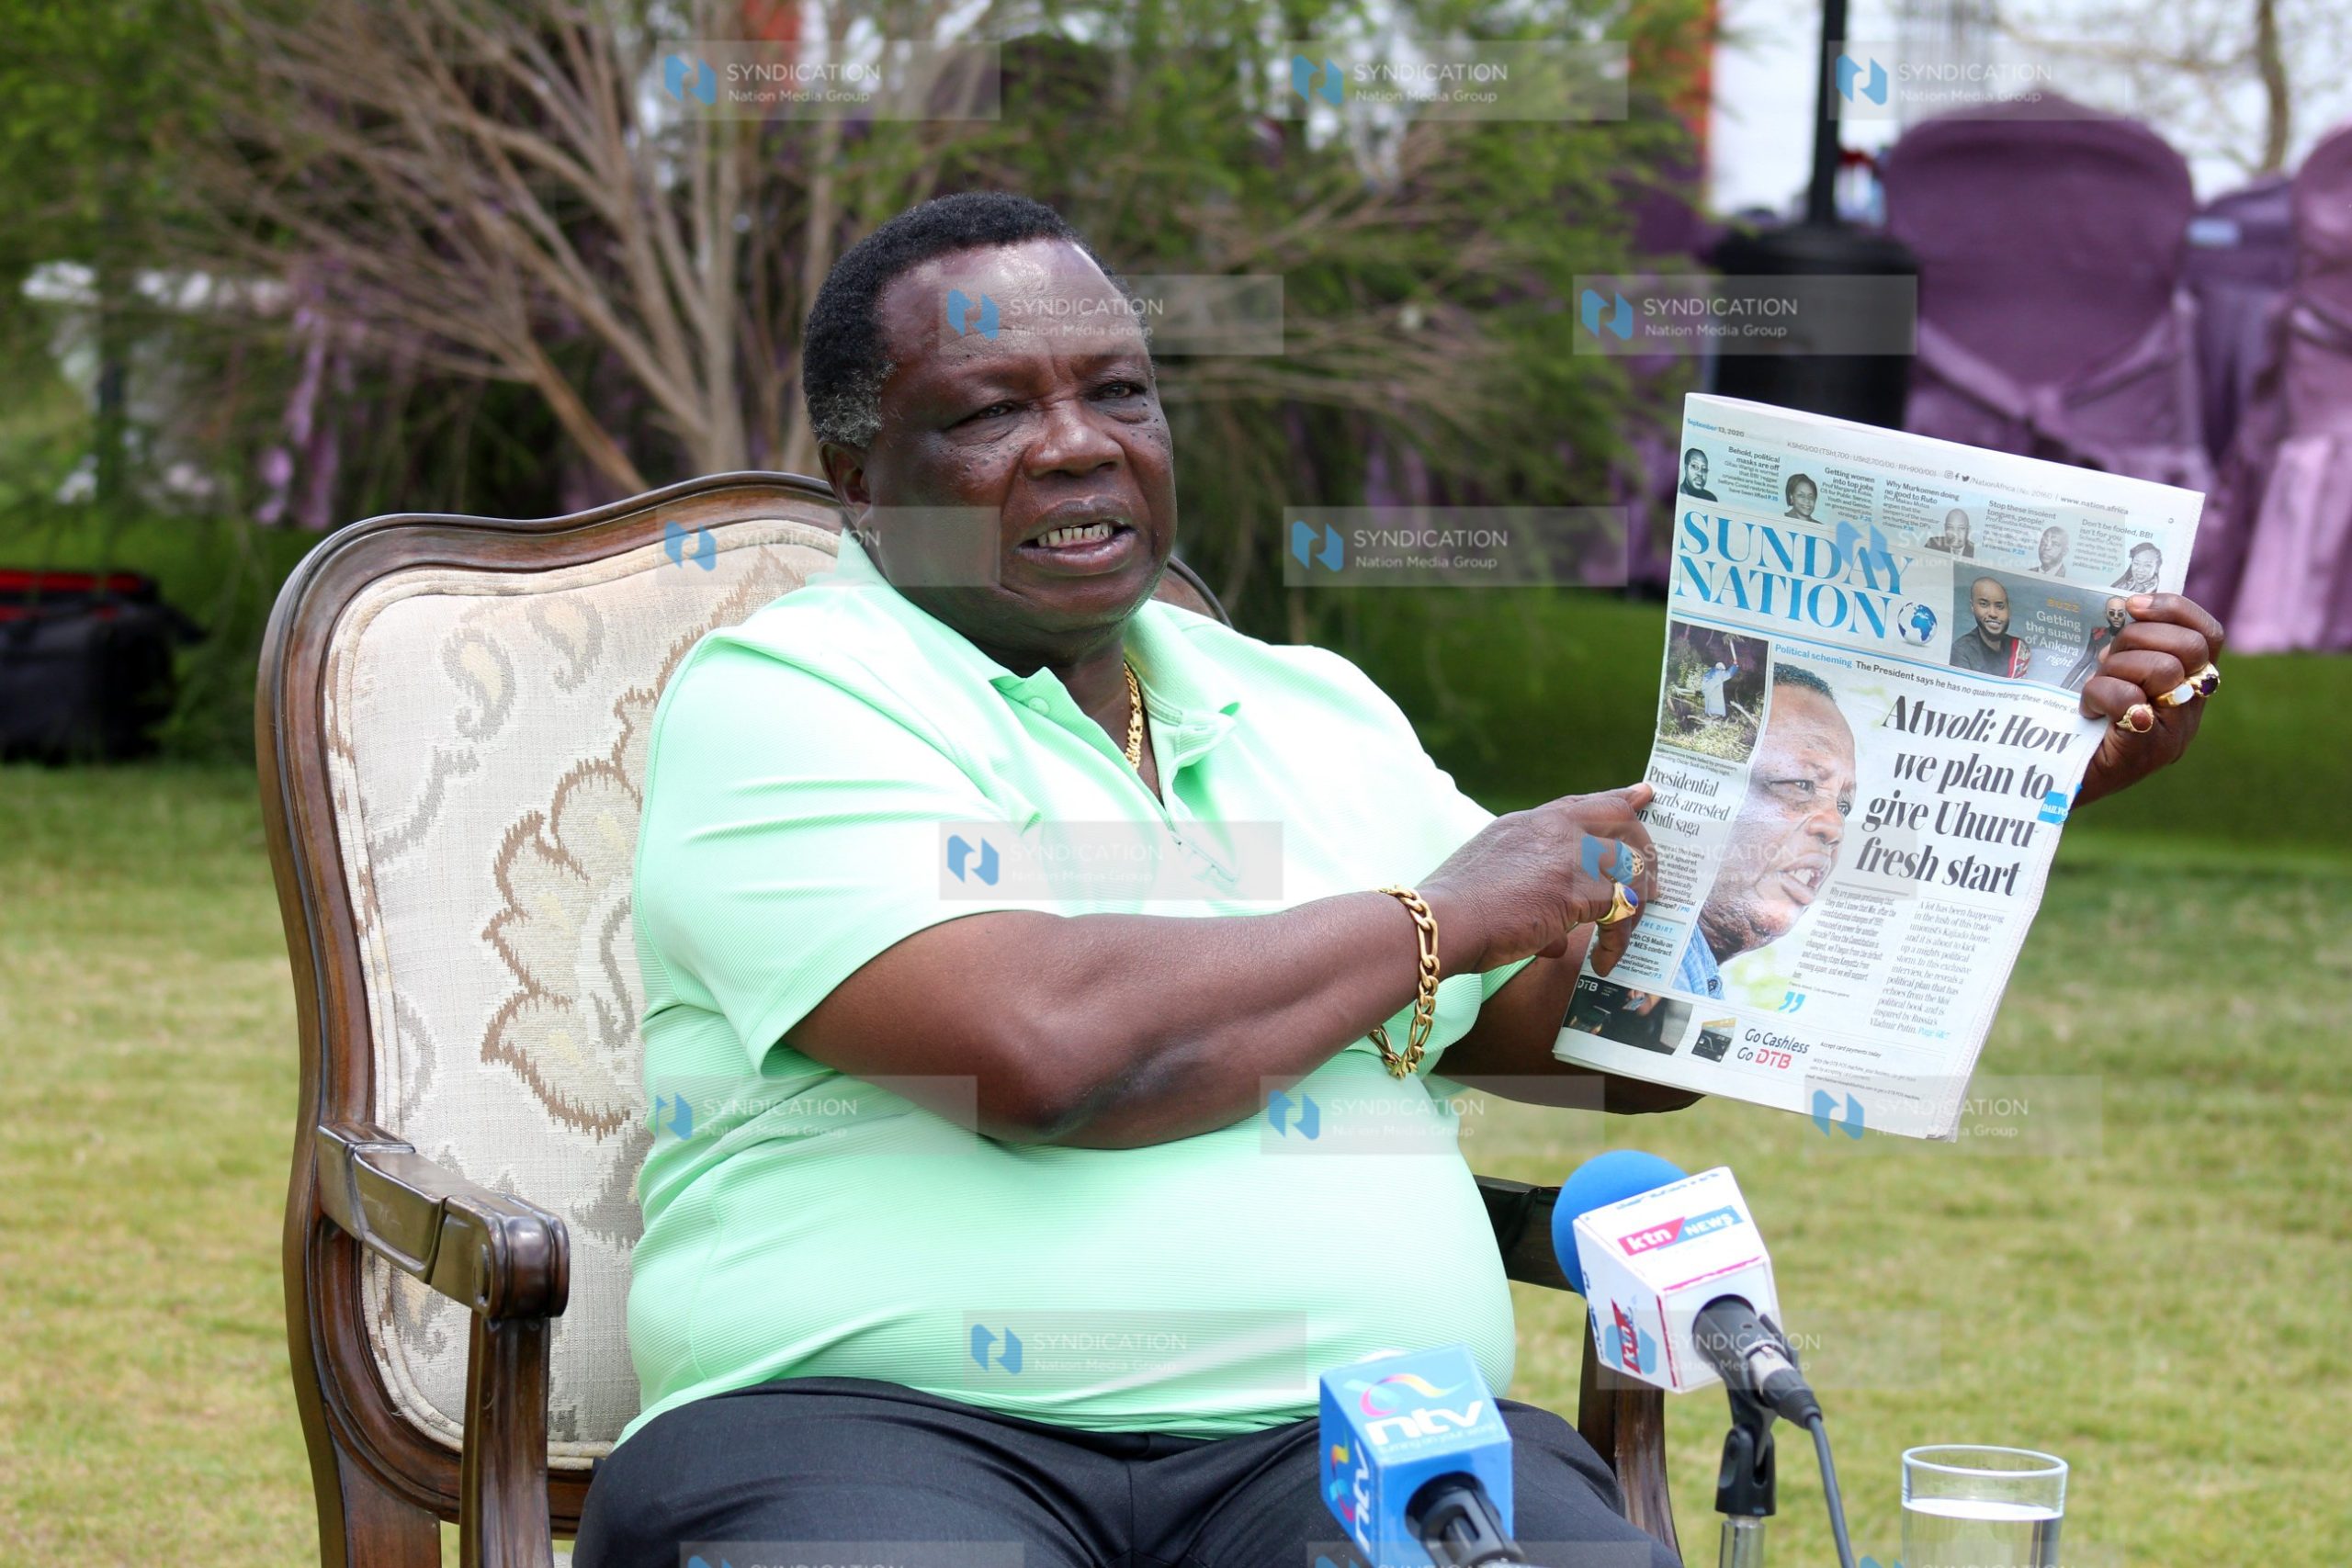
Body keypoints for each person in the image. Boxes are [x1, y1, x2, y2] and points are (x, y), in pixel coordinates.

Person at [581, 191, 2229, 1568]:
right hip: (876, 1435)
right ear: (861, 485)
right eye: (996, 410)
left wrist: (1989, 787)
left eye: (1121, 394)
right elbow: (1048, 1054)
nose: (1079, 448)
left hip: (1362, 1430)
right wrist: (1435, 913)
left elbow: (1584, 1039)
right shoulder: (787, 698)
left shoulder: (1313, 709)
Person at [1676, 667, 1853, 999]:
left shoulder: (1694, 973)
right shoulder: (1608, 936)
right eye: (1802, 784)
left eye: (1845, 806)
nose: (1835, 827)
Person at [1951, 576, 2031, 678]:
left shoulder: (2020, 648)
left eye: (2000, 606)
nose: (1993, 613)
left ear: (2008, 609)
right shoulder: (1962, 651)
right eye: (1984, 604)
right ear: (1972, 607)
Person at [2064, 596, 2131, 691]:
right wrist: (2063, 687)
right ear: (2106, 614)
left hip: (2113, 685)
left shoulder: (2131, 638)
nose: (2116, 617)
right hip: (2087, 679)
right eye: (2112, 613)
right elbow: (2083, 662)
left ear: (2126, 614)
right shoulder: (2098, 633)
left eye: (2120, 613)